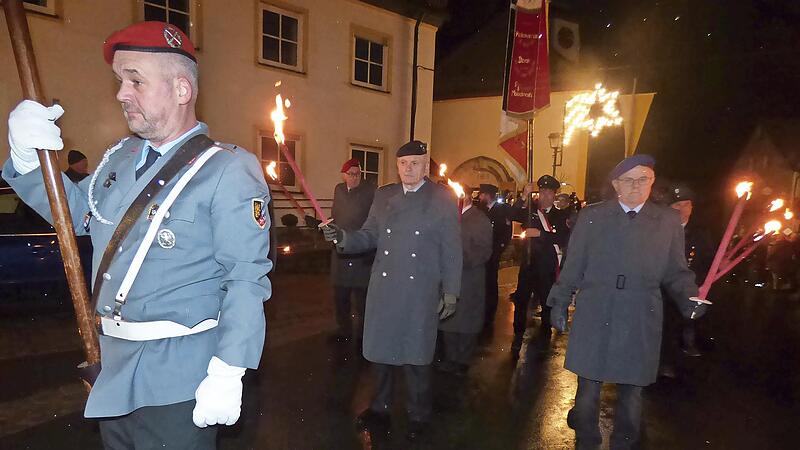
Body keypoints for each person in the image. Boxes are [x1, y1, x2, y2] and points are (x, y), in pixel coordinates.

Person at [3, 22, 272, 449]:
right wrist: (27, 161)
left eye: (136, 81)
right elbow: (79, 218)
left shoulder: (226, 171)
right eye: (120, 81)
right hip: (113, 368)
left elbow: (245, 278)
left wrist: (229, 369)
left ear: (182, 90)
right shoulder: (120, 159)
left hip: (181, 378)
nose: (121, 93)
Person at [546, 155, 709, 450]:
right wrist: (559, 302)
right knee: (587, 391)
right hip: (596, 309)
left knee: (632, 393)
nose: (636, 185)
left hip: (640, 314)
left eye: (643, 178)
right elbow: (574, 265)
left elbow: (676, 270)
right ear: (615, 184)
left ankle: (624, 444)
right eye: (628, 180)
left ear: (652, 181)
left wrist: (690, 298)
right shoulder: (592, 217)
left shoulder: (667, 221)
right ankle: (586, 441)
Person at [321, 140, 462, 441]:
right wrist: (343, 237)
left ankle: (419, 414)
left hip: (419, 290)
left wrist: (451, 291)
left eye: (414, 163)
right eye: (402, 163)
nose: (408, 168)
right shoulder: (384, 195)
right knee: (381, 354)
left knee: (415, 357)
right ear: (396, 166)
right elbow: (369, 235)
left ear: (425, 165)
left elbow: (452, 248)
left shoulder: (442, 198)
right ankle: (380, 407)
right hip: (384, 288)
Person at [509, 174, 571, 356]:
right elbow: (512, 214)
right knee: (521, 301)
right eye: (541, 191)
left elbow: (563, 238)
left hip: (547, 266)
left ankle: (545, 334)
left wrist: (540, 234)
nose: (544, 196)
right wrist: (522, 196)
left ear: (554, 195)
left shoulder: (561, 215)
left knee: (546, 303)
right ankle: (517, 337)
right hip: (528, 265)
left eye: (548, 192)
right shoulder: (530, 211)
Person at [438, 189, 492, 375]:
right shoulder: (448, 216)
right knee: (448, 319)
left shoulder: (479, 219)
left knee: (466, 321)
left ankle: (463, 360)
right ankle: (451, 357)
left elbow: (484, 251)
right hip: (448, 278)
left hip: (469, 279)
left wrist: (459, 258)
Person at [328, 158, 375, 342]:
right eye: (351, 174)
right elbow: (335, 215)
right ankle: (344, 329)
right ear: (343, 175)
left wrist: (370, 248)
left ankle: (364, 334)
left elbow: (374, 220)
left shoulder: (370, 191)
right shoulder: (339, 190)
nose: (355, 178)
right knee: (341, 296)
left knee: (362, 299)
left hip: (360, 251)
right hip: (340, 251)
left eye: (358, 174)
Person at [478, 183, 512, 328]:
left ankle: (490, 312)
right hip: (481, 252)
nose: (479, 197)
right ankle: (481, 308)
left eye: (482, 194)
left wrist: (498, 249)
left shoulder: (501, 211)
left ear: (488, 195)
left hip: (493, 251)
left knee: (491, 282)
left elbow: (506, 233)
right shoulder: (480, 210)